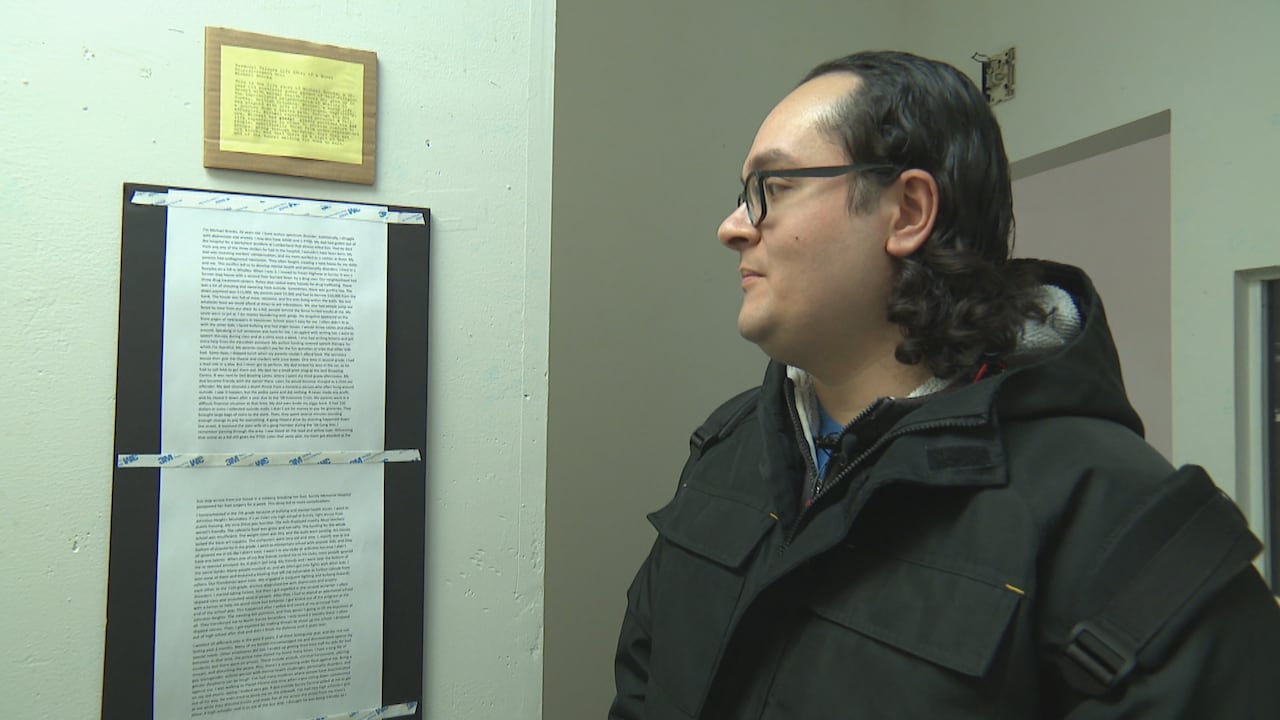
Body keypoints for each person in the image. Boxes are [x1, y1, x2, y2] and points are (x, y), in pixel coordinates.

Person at [609, 50, 1280, 719]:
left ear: (907, 210)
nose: (732, 227)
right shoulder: (726, 448)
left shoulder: (1122, 517)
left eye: (772, 188)